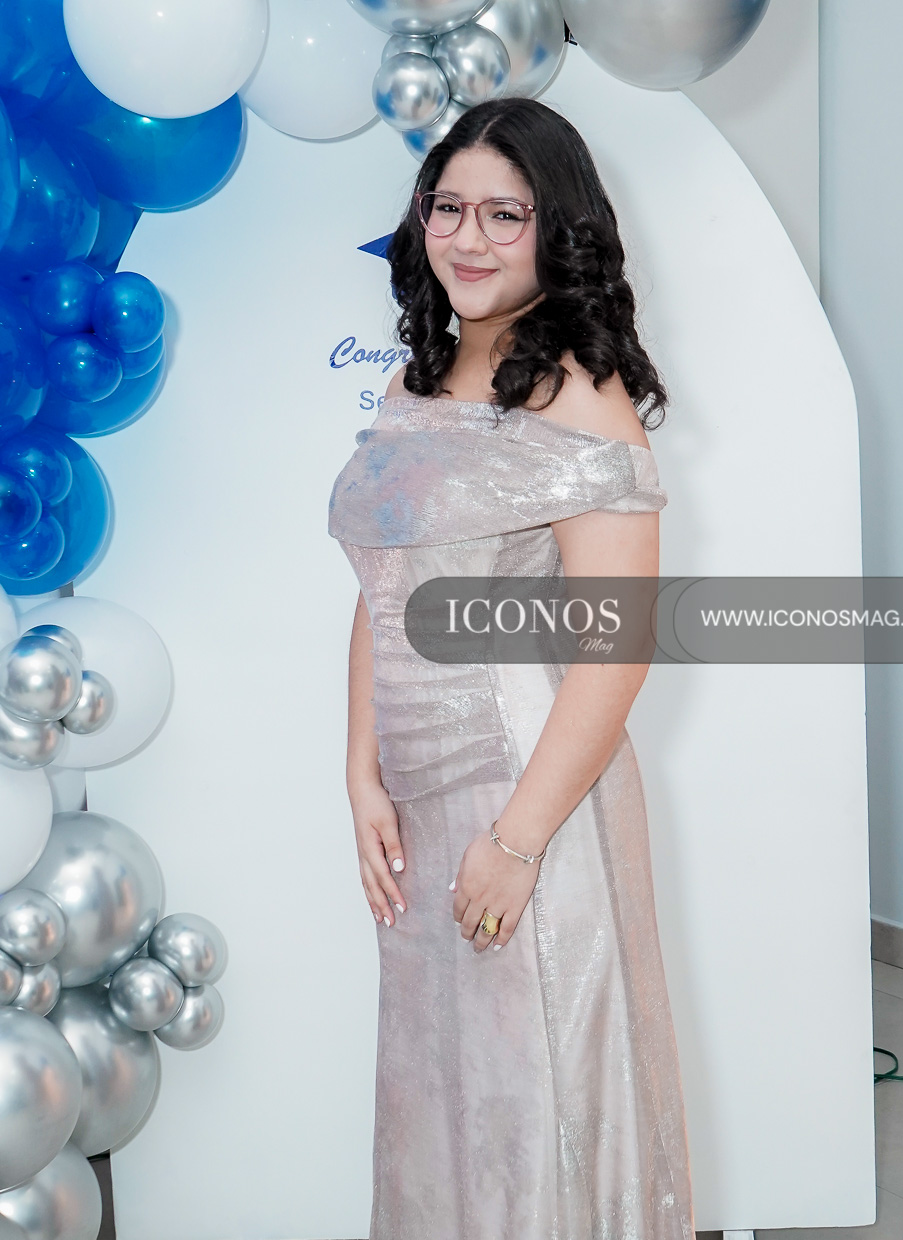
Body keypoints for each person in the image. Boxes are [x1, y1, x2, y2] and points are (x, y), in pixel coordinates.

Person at [327, 96, 696, 1240]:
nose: (468, 238)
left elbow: (616, 650)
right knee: (445, 1095)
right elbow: (384, 589)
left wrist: (517, 840)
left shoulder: (578, 392)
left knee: (534, 1095)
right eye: (447, 208)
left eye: (504, 214)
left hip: (528, 791)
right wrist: (360, 770)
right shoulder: (412, 382)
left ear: (555, 230)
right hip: (420, 795)